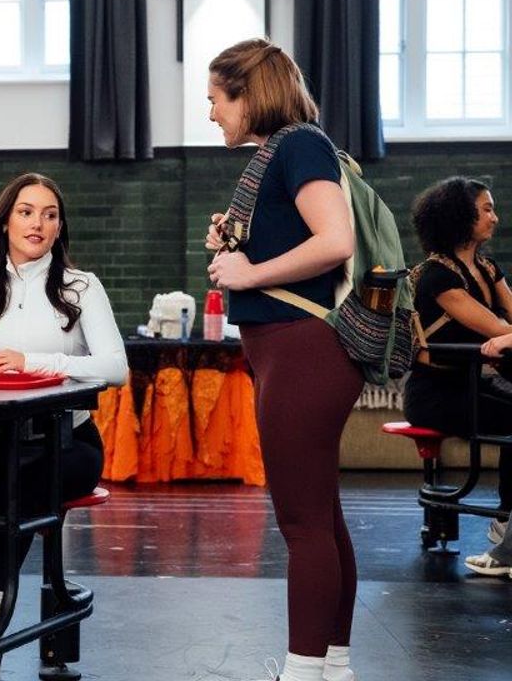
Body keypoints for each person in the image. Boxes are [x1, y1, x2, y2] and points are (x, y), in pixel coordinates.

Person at [0, 172, 127, 681]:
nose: (39, 222)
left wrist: (32, 362)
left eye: (50, 214)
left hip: (67, 441)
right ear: (6, 221)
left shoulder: (81, 287)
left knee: (24, 490)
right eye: (27, 211)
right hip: (0, 440)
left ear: (59, 228)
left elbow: (115, 367)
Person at [203, 39, 361, 681]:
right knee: (321, 516)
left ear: (248, 93)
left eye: (215, 98)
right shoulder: (286, 151)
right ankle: (334, 663)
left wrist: (249, 269)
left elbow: (336, 239)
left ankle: (302, 669)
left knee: (302, 521)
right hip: (292, 351)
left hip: (302, 350)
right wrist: (239, 243)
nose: (210, 113)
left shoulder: (299, 144)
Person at [405, 178, 512, 577]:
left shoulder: (485, 266)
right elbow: (497, 329)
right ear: (460, 217)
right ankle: (507, 536)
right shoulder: (437, 276)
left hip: (472, 384)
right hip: (435, 395)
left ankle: (507, 525)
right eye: (486, 209)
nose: (494, 217)